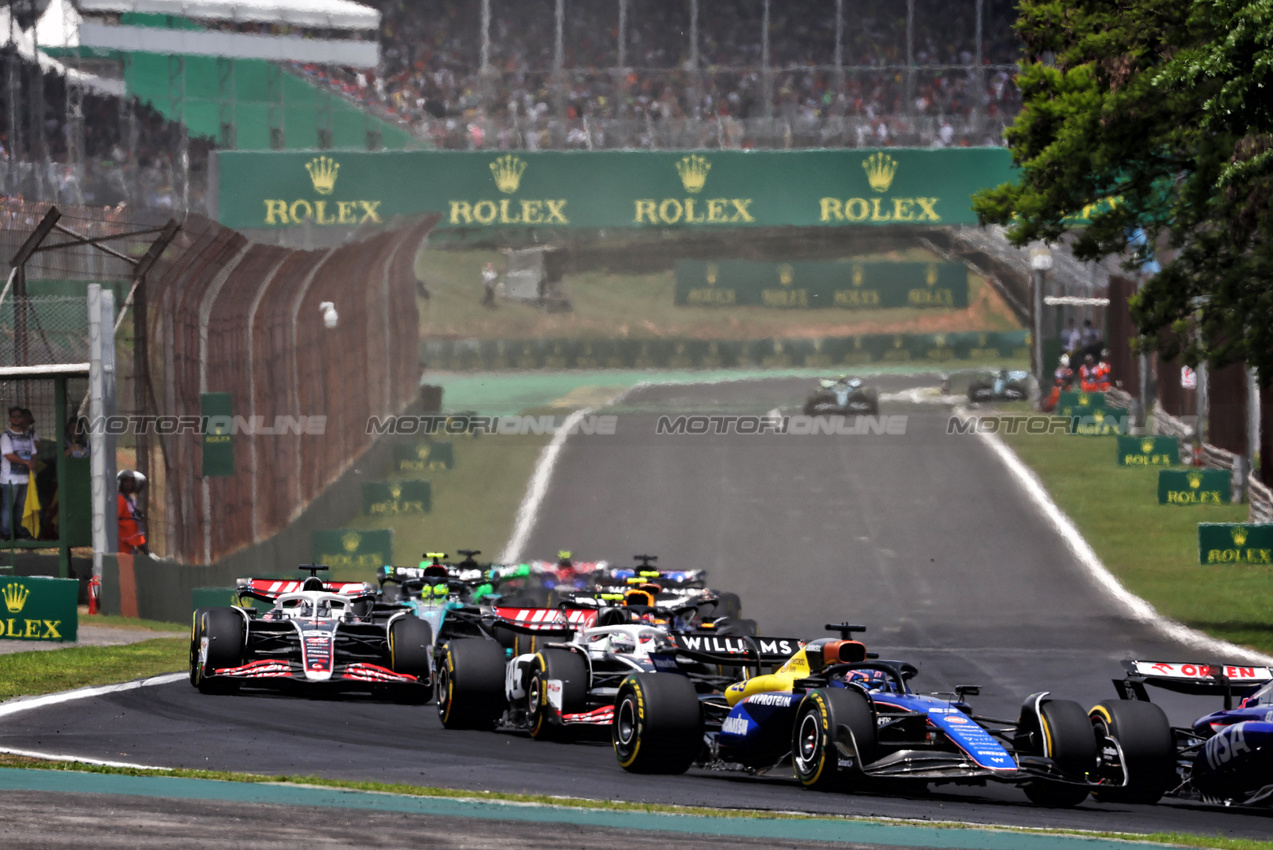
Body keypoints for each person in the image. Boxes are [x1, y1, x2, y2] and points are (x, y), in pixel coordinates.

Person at [0, 406, 38, 539]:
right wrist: (26, 462)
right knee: (8, 507)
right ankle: (6, 533)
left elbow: (34, 452)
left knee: (22, 507)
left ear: (23, 418)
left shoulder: (28, 435)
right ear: (10, 419)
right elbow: (8, 455)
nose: (16, 419)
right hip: (10, 478)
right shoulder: (6, 436)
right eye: (13, 416)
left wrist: (32, 461)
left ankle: (20, 531)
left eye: (19, 416)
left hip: (26, 478)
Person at [117, 470, 149, 555]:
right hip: (121, 543)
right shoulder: (120, 498)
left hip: (129, 543)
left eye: (131, 482)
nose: (128, 484)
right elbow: (117, 520)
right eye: (126, 481)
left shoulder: (130, 499)